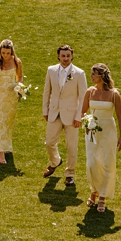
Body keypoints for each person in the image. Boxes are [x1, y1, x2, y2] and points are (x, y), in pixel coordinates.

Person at [80, 63, 121, 212]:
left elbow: (119, 117)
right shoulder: (90, 92)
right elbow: (83, 112)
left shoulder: (114, 94)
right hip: (92, 132)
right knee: (92, 163)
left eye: (94, 74)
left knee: (107, 163)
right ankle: (94, 190)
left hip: (108, 132)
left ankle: (102, 197)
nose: (91, 77)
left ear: (102, 76)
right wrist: (87, 123)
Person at [43, 43, 88, 187]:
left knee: (71, 146)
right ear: (58, 56)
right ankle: (55, 161)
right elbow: (47, 91)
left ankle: (70, 174)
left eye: (68, 56)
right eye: (63, 56)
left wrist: (79, 116)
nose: (66, 58)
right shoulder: (51, 70)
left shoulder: (79, 73)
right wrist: (45, 110)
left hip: (72, 116)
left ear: (72, 56)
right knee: (49, 142)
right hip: (54, 113)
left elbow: (83, 97)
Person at [0, 38, 23, 163]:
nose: (5, 55)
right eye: (3, 53)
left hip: (11, 97)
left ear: (12, 52)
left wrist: (20, 88)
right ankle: (1, 152)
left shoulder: (17, 62)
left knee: (8, 122)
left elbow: (19, 77)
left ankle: (7, 146)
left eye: (7, 53)